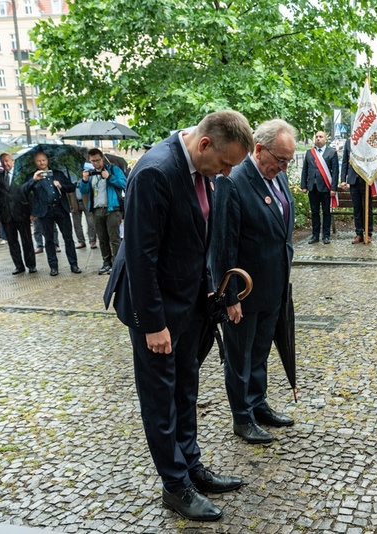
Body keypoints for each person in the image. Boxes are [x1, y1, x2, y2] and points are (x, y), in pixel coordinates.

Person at [103, 110, 253, 522]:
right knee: (161, 399)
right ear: (204, 144)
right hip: (156, 310)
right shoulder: (156, 171)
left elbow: (198, 240)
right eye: (224, 163)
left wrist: (209, 291)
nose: (226, 173)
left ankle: (191, 466)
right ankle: (175, 485)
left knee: (186, 389)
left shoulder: (202, 170)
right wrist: (153, 324)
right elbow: (140, 255)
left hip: (189, 304)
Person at [209, 119, 296, 445]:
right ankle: (242, 417)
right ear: (259, 149)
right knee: (239, 358)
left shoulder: (277, 176)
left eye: (288, 161)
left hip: (273, 286)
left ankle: (258, 404)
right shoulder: (233, 180)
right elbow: (222, 244)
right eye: (281, 160)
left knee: (260, 353)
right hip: (244, 292)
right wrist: (229, 297)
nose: (284, 167)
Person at [21, 151, 81, 276]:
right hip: (44, 211)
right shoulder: (32, 176)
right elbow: (23, 191)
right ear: (35, 162)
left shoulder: (58, 173)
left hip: (61, 209)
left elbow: (71, 187)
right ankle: (53, 267)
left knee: (68, 238)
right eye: (38, 161)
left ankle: (74, 264)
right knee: (48, 240)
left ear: (47, 160)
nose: (41, 162)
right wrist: (33, 180)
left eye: (43, 160)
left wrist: (61, 186)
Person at [79, 148, 127, 275]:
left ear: (102, 159)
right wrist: (84, 180)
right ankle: (106, 263)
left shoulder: (113, 170)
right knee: (102, 239)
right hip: (97, 210)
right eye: (93, 161)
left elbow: (124, 183)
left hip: (112, 209)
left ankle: (117, 264)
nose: (96, 163)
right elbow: (83, 191)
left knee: (114, 238)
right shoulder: (90, 173)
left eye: (98, 160)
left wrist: (109, 177)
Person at [0, 153, 36, 274]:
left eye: (7, 161)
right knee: (12, 242)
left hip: (22, 213)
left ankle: (31, 265)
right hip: (6, 215)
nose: (5, 164)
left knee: (27, 240)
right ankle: (19, 266)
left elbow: (30, 194)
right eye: (2, 161)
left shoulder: (21, 175)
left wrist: (32, 212)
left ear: (13, 161)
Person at [301, 130, 338, 244]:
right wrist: (304, 185)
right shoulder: (309, 153)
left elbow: (335, 172)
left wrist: (333, 188)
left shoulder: (331, 152)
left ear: (325, 139)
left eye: (321, 136)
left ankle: (326, 236)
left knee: (326, 212)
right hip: (312, 187)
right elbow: (305, 170)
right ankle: (315, 235)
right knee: (314, 212)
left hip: (326, 188)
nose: (318, 138)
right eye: (316, 136)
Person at [340, 138, 373, 243]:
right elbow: (345, 161)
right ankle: (359, 233)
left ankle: (368, 233)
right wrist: (343, 179)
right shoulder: (349, 142)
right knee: (357, 209)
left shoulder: (368, 139)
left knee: (367, 208)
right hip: (353, 180)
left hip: (366, 180)